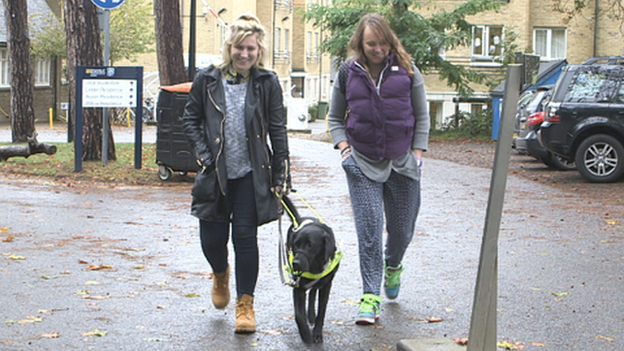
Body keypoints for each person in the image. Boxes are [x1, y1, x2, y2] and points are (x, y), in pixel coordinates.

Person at [181, 13, 290, 334]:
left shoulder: (266, 82)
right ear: (229, 48)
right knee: (212, 240)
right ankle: (219, 272)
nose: (245, 54)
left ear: (259, 51)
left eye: (251, 49)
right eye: (239, 48)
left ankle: (245, 304)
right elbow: (191, 119)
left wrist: (280, 173)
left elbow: (278, 129)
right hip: (215, 173)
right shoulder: (208, 79)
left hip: (251, 174)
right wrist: (203, 155)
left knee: (246, 239)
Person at [327, 13, 430, 325]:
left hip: (403, 162)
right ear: (360, 43)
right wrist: (345, 151)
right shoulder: (348, 72)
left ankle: (394, 264)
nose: (378, 49)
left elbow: (422, 115)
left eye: (383, 42)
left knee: (402, 230)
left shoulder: (408, 70)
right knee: (369, 231)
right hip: (362, 161)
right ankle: (369, 297)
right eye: (371, 43)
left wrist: (417, 153)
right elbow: (334, 118)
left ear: (390, 40)